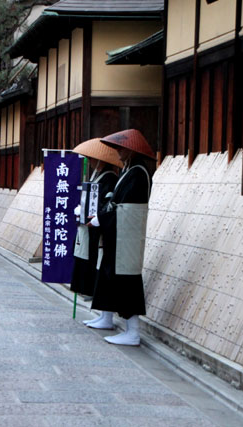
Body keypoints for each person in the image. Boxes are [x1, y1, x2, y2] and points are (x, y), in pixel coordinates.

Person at [88, 129, 154, 346]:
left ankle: (133, 332)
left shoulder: (138, 172)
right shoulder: (129, 170)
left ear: (130, 149)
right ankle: (109, 319)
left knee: (128, 281)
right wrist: (103, 214)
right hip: (120, 234)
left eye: (120, 148)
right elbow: (117, 203)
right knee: (111, 277)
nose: (117, 152)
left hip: (128, 237)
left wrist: (103, 217)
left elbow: (126, 209)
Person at [68, 138, 120, 310]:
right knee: (85, 256)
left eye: (91, 159)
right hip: (88, 225)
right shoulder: (97, 176)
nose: (89, 162)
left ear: (100, 160)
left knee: (93, 259)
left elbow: (107, 203)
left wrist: (93, 214)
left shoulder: (110, 178)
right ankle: (86, 289)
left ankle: (91, 290)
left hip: (97, 227)